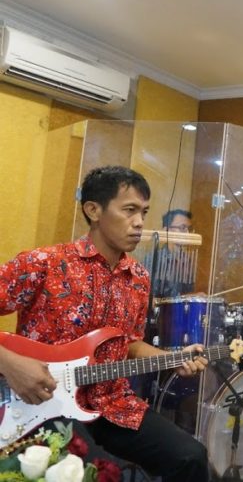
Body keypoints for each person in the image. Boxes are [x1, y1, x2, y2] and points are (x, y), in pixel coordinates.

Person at [0, 166, 210, 481]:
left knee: (191, 457)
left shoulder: (138, 277)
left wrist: (172, 359)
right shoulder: (44, 263)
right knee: (89, 472)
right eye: (129, 210)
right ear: (93, 210)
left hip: (112, 404)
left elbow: (129, 343)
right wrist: (10, 363)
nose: (139, 222)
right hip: (40, 402)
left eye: (144, 212)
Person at [152, 208, 195, 298]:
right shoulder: (155, 259)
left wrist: (193, 297)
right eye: (182, 228)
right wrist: (189, 297)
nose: (187, 233)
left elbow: (187, 293)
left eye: (189, 229)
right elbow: (152, 299)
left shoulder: (187, 259)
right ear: (166, 230)